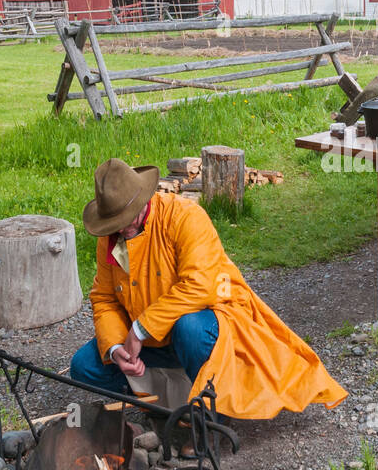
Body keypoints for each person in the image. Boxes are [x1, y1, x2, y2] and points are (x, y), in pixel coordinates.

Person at [69, 158, 347, 419]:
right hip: (152, 341)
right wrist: (116, 347)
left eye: (124, 219)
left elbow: (200, 285)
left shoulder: (185, 216)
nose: (119, 230)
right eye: (113, 223)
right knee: (83, 366)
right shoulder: (111, 235)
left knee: (189, 329)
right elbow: (104, 298)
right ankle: (160, 402)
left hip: (206, 328)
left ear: (143, 201)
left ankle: (211, 417)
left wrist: (140, 329)